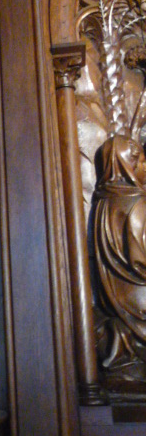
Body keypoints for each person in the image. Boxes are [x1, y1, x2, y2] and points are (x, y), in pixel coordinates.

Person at [93, 134, 146, 382]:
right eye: (143, 162)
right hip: (138, 298)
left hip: (115, 295)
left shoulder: (104, 201)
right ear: (129, 164)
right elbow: (141, 259)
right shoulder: (137, 203)